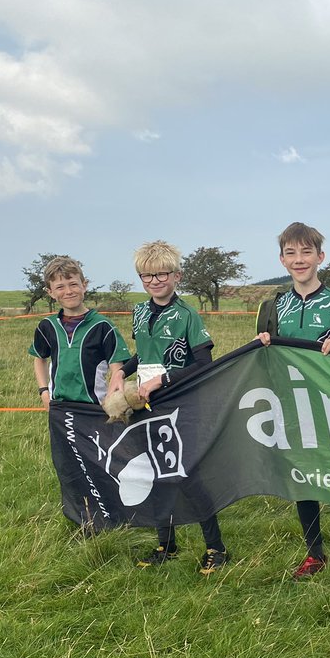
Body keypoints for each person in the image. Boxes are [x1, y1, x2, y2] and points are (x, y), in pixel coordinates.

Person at [256, 222, 330, 595]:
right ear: (281, 259)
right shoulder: (272, 306)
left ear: (320, 257)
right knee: (301, 481)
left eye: (306, 252)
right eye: (291, 253)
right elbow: (262, 362)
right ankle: (315, 554)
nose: (299, 259)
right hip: (289, 408)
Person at [108, 240, 229, 574]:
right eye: (147, 276)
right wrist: (121, 369)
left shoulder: (187, 314)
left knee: (186, 475)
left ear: (177, 275)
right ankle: (167, 543)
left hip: (181, 404)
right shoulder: (141, 310)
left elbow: (204, 362)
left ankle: (216, 548)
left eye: (162, 274)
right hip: (145, 405)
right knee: (154, 472)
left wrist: (164, 380)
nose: (155, 281)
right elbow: (145, 355)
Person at [30, 256, 131, 408]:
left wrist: (112, 398)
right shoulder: (47, 326)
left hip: (95, 407)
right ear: (50, 292)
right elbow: (39, 358)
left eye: (73, 284)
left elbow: (117, 368)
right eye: (60, 287)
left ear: (84, 285)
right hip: (59, 407)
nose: (68, 291)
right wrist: (44, 391)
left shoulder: (102, 325)